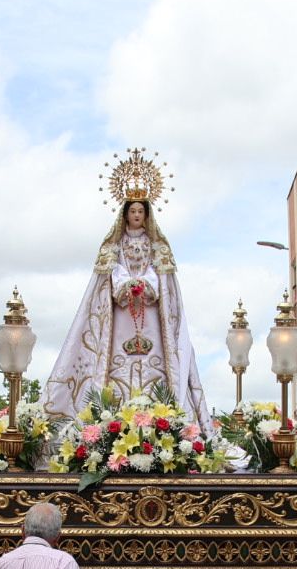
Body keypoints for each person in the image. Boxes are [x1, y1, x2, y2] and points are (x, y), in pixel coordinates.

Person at [42, 161, 208, 421]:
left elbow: (161, 277)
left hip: (149, 310)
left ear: (147, 214)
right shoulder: (114, 245)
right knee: (116, 359)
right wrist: (124, 285)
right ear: (125, 214)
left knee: (156, 359)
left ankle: (160, 415)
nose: (137, 215)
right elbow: (113, 272)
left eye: (141, 211)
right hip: (122, 311)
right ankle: (112, 415)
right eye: (133, 211)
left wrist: (147, 285)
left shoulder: (157, 246)